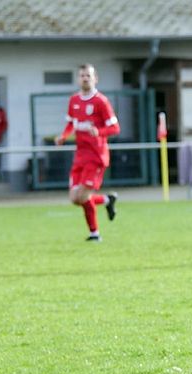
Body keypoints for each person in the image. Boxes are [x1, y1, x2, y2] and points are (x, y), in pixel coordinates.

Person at [54, 64, 120, 242]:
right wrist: (63, 136)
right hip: (80, 156)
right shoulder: (74, 100)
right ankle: (106, 201)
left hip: (96, 156)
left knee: (83, 196)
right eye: (82, 75)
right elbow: (71, 123)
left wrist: (99, 131)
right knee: (74, 198)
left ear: (95, 79)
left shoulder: (101, 101)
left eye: (88, 76)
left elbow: (115, 128)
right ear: (78, 79)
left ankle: (95, 233)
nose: (85, 78)